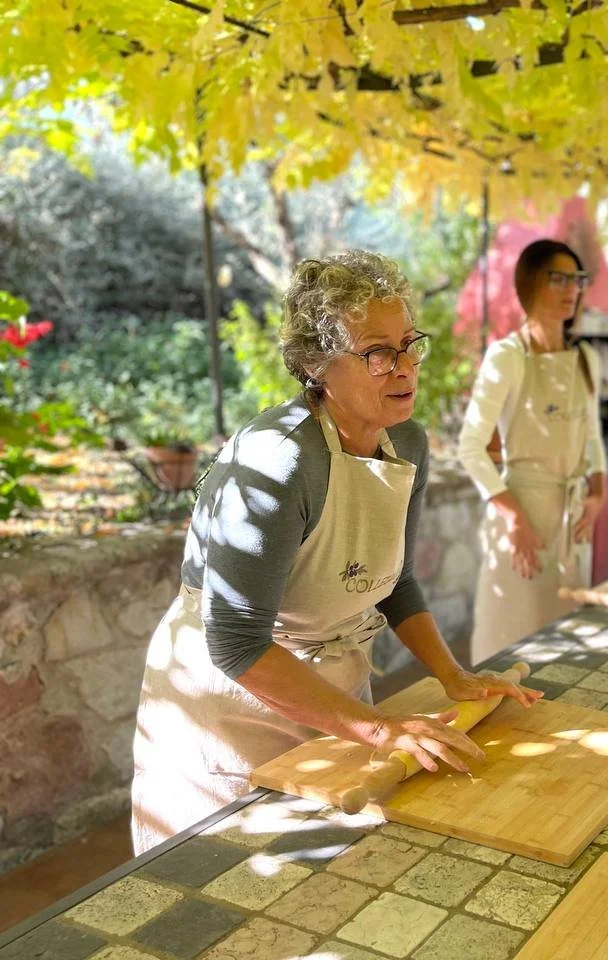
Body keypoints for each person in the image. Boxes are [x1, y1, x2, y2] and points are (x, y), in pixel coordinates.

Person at [131, 250, 540, 853]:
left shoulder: (407, 443)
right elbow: (236, 642)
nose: (404, 367)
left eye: (409, 344)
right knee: (231, 899)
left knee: (330, 884)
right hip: (231, 706)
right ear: (318, 364)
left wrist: (452, 675)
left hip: (330, 697)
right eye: (377, 352)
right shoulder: (277, 463)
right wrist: (379, 729)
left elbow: (394, 579)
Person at [458, 239, 607, 665]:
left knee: (566, 646)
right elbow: (470, 447)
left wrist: (597, 494)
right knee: (509, 640)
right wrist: (515, 518)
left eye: (576, 280)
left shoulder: (587, 360)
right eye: (556, 278)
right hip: (520, 518)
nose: (570, 289)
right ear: (527, 286)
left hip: (571, 518)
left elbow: (593, 439)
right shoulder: (507, 357)